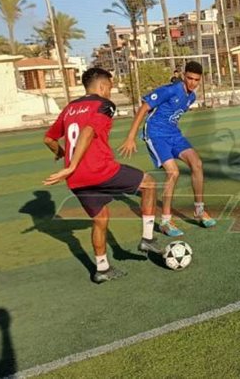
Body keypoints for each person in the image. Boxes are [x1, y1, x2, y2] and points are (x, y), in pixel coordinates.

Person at [42, 67, 160, 284]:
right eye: (110, 87)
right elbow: (88, 131)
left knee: (100, 219)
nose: (110, 91)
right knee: (149, 184)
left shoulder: (69, 108)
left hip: (76, 180)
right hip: (99, 170)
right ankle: (148, 238)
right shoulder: (105, 105)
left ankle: (102, 269)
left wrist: (63, 157)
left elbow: (48, 139)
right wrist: (72, 164)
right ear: (103, 86)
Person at [119, 61, 216, 237]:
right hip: (155, 134)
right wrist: (131, 137)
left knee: (197, 164)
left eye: (196, 80)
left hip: (173, 134)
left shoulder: (191, 97)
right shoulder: (169, 90)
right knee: (173, 172)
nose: (192, 83)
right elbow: (144, 108)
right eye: (189, 78)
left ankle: (199, 211)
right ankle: (165, 221)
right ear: (183, 75)